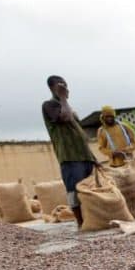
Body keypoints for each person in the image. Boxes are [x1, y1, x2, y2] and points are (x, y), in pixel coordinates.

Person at [41, 75, 98, 228]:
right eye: (61, 85)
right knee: (74, 190)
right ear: (52, 87)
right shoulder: (49, 105)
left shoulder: (70, 109)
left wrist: (93, 157)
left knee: (89, 191)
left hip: (84, 155)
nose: (66, 89)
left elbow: (80, 134)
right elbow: (64, 118)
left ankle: (91, 220)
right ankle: (81, 223)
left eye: (66, 85)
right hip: (70, 157)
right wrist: (62, 98)